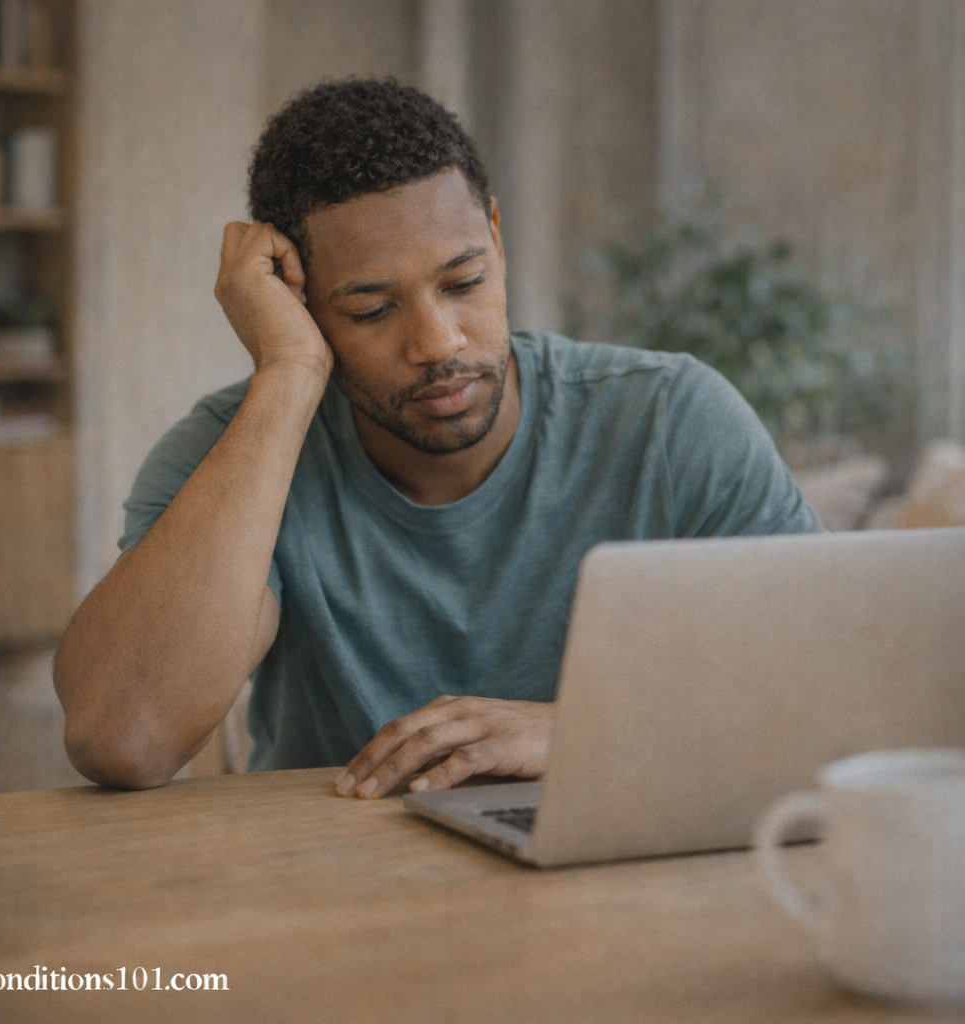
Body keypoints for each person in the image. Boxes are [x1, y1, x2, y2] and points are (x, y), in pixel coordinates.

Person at [54, 78, 822, 797]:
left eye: (463, 282)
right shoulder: (235, 451)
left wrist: (585, 732)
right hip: (329, 884)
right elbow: (125, 736)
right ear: (298, 300)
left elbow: (835, 681)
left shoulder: (670, 418)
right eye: (370, 310)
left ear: (495, 233)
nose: (440, 342)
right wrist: (287, 372)